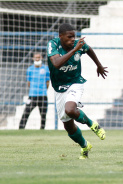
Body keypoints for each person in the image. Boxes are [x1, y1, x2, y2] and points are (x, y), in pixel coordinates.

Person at [47, 23, 108, 159]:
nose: (72, 40)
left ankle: (92, 124)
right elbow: (56, 63)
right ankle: (85, 145)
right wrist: (75, 50)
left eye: (74, 36)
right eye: (69, 37)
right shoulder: (53, 45)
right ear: (60, 36)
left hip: (75, 82)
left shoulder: (78, 44)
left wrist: (99, 65)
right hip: (59, 88)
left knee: (70, 109)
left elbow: (89, 49)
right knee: (68, 126)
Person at [19, 52, 50, 130]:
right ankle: (21, 128)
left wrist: (43, 90)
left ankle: (42, 129)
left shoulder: (45, 68)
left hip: (43, 95)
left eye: (38, 57)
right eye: (36, 57)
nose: (37, 59)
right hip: (32, 95)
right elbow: (28, 82)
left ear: (41, 58)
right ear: (33, 58)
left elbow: (47, 82)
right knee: (26, 112)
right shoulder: (30, 69)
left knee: (43, 114)